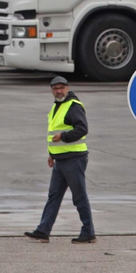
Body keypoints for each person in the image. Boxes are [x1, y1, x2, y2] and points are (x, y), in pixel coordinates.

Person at [25, 75, 94, 243]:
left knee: (79, 196)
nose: (59, 91)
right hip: (61, 160)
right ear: (51, 90)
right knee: (54, 196)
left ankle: (88, 232)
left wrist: (64, 136)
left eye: (62, 87)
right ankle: (43, 230)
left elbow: (82, 129)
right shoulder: (57, 106)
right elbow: (53, 134)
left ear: (67, 88)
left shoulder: (73, 106)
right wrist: (52, 155)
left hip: (74, 159)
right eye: (55, 88)